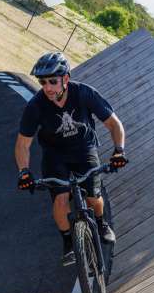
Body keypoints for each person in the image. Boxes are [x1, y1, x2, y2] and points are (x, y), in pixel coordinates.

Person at [15, 52, 128, 266]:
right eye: (43, 82)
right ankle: (68, 241)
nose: (47, 87)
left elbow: (114, 124)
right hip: (55, 154)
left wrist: (119, 151)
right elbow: (23, 144)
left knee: (93, 196)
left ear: (65, 78)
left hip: (84, 148)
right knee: (60, 198)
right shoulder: (36, 106)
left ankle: (101, 223)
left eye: (53, 81)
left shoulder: (84, 93)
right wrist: (24, 171)